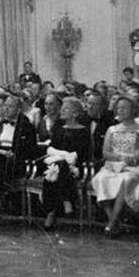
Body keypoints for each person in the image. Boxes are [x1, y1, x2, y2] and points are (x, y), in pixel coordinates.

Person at [0, 94, 38, 230]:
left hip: (14, 162)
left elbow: (31, 149)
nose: (7, 109)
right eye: (5, 106)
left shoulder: (27, 127)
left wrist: (15, 154)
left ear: (19, 109)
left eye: (11, 106)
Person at [90, 96, 139, 236]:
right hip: (113, 165)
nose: (121, 110)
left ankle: (111, 223)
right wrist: (119, 159)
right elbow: (106, 152)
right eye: (118, 108)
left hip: (133, 167)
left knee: (125, 180)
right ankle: (114, 220)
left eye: (124, 108)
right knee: (100, 179)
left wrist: (128, 161)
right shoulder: (112, 129)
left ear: (133, 110)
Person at [38, 96, 91, 229]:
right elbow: (52, 148)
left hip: (74, 165)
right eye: (62, 109)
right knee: (56, 169)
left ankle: (52, 213)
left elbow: (83, 152)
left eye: (66, 109)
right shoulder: (58, 128)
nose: (61, 111)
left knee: (59, 169)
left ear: (75, 113)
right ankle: (65, 201)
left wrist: (68, 157)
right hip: (57, 162)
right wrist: (64, 155)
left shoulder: (84, 130)